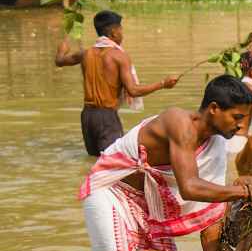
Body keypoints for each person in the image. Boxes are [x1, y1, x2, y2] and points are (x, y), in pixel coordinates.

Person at [78, 75, 252, 251]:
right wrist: (248, 191)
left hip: (147, 203)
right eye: (236, 117)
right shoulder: (178, 121)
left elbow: (211, 214)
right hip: (111, 192)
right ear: (214, 109)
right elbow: (189, 188)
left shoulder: (215, 145)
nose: (240, 125)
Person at [55, 10, 179, 156]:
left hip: (87, 116)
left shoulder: (85, 54)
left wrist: (62, 48)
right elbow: (133, 90)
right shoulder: (119, 56)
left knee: (94, 163)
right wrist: (163, 83)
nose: (122, 34)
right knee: (113, 163)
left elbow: (60, 61)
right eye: (121, 29)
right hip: (107, 117)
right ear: (114, 32)